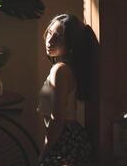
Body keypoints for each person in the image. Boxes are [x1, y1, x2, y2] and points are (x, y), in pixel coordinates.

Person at [37, 14, 94, 166]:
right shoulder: (65, 68)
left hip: (65, 139)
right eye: (49, 33)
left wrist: (44, 151)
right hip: (68, 137)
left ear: (70, 44)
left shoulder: (60, 70)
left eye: (58, 37)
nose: (50, 40)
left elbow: (58, 119)